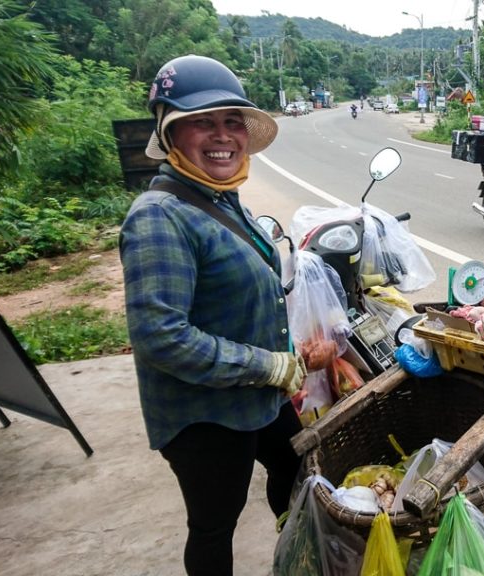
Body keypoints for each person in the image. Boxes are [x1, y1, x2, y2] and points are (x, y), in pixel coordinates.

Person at [119, 54, 307, 576]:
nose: (222, 135)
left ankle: (297, 554)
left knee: (298, 470)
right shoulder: (159, 217)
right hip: (202, 413)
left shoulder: (224, 197)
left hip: (258, 396)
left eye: (231, 122)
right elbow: (161, 336)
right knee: (214, 523)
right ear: (169, 130)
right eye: (202, 122)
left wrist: (282, 360)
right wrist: (266, 365)